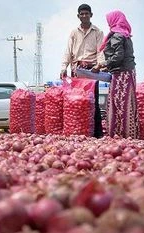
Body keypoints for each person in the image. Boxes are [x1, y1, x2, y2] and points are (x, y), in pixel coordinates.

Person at [92, 10, 138, 139]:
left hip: (121, 75)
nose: (108, 24)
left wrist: (102, 65)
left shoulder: (117, 35)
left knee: (118, 104)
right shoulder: (126, 35)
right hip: (129, 72)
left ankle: (118, 134)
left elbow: (118, 56)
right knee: (127, 103)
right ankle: (129, 134)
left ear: (114, 20)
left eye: (109, 21)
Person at [60, 3, 104, 138]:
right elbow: (68, 51)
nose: (84, 15)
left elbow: (101, 50)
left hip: (91, 70)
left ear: (91, 15)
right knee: (76, 100)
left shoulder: (98, 32)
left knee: (92, 100)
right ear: (78, 16)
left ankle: (96, 133)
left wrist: (99, 65)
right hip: (77, 70)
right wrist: (63, 67)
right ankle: (76, 131)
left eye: (87, 13)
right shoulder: (74, 32)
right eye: (82, 13)